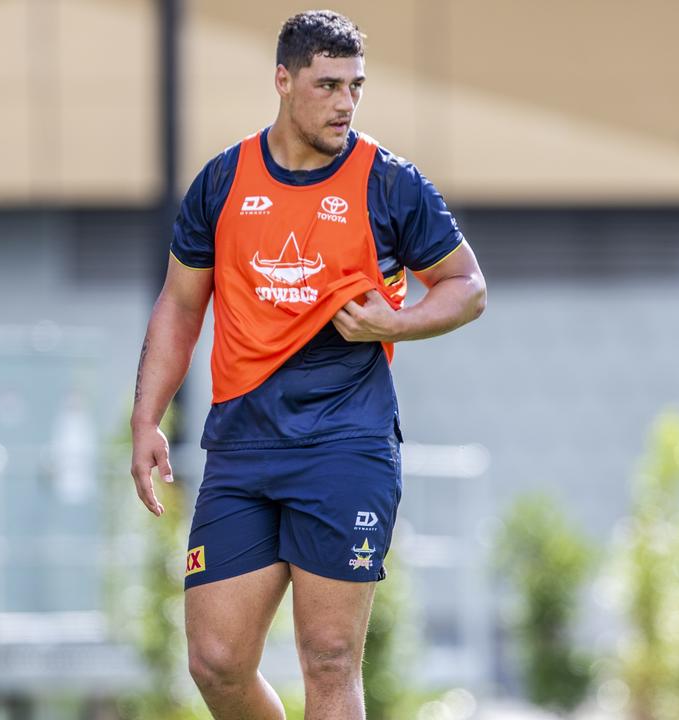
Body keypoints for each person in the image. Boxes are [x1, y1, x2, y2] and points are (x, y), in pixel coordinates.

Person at [129, 10, 486, 719]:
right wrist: (146, 418)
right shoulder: (222, 182)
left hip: (345, 445)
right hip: (242, 447)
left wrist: (397, 322)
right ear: (283, 81)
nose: (345, 103)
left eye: (356, 86)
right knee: (216, 662)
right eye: (328, 85)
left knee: (327, 658)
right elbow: (178, 305)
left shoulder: (389, 182)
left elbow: (467, 286)